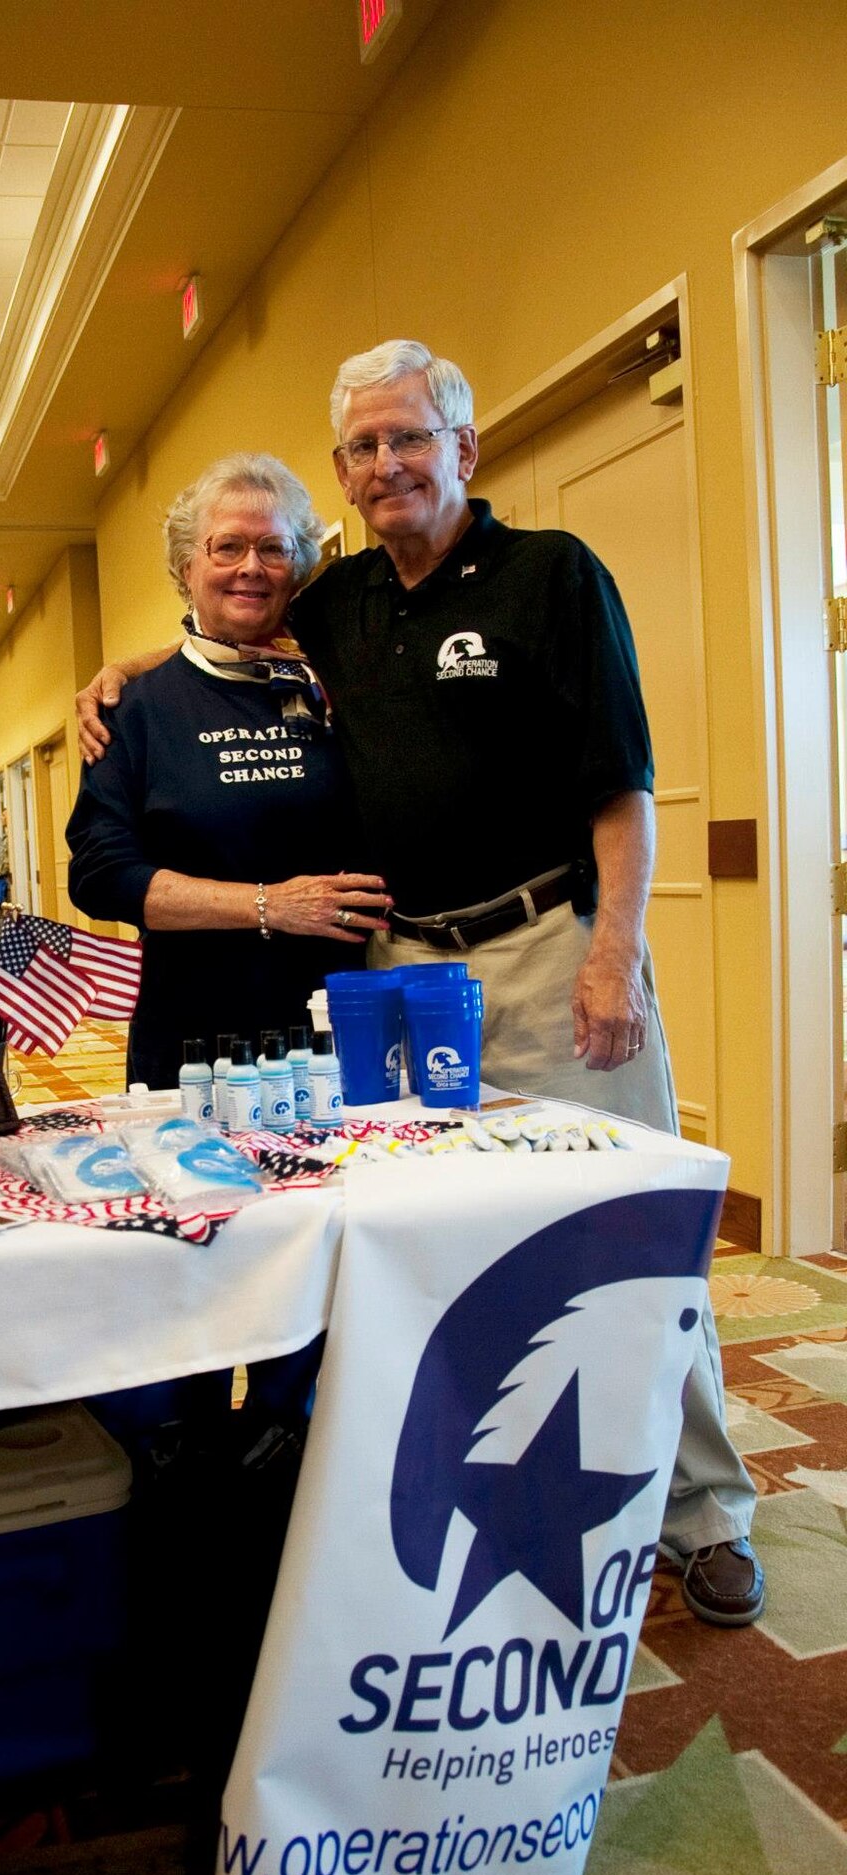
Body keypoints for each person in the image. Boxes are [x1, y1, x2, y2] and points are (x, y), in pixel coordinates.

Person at [75, 342, 762, 1630]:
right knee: (432, 1237)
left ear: (462, 446)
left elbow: (621, 783)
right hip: (395, 973)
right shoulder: (337, 605)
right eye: (361, 450)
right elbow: (223, 606)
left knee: (624, 1223)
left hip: (548, 949)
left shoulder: (552, 576)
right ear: (342, 475)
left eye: (406, 438)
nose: (386, 465)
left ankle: (700, 1510)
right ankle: (480, 1480)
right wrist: (116, 677)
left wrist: (613, 950)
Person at [67, 451, 389, 1089]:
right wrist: (269, 905)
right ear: (187, 566)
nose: (251, 567)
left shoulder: (342, 682)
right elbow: (101, 876)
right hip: (196, 1039)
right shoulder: (132, 710)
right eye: (227, 547)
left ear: (297, 567)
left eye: (273, 548)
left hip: (345, 1022)